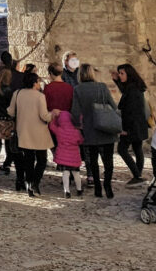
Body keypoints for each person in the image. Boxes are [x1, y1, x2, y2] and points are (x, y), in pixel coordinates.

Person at [71, 63, 118, 198]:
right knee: (108, 161)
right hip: (106, 127)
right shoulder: (102, 87)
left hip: (90, 129)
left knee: (93, 160)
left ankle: (97, 187)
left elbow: (75, 112)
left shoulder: (78, 89)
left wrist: (77, 124)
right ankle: (108, 186)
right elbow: (113, 106)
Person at [8, 73, 57, 197]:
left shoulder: (17, 94)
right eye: (38, 82)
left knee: (29, 160)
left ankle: (29, 184)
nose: (39, 84)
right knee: (42, 160)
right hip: (39, 132)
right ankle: (35, 183)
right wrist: (53, 114)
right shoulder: (40, 96)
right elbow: (44, 116)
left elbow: (11, 111)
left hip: (23, 131)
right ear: (34, 82)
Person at [111, 63, 149, 185]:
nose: (121, 75)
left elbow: (130, 112)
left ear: (129, 74)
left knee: (122, 149)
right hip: (138, 124)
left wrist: (125, 129)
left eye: (122, 73)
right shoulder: (134, 87)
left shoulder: (132, 89)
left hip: (132, 125)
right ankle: (138, 175)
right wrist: (117, 81)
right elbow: (125, 91)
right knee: (137, 149)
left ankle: (137, 175)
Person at [49, 110, 84, 197]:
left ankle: (66, 191)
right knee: (76, 173)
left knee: (65, 173)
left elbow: (51, 126)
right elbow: (81, 140)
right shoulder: (76, 131)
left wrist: (54, 117)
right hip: (74, 156)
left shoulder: (59, 130)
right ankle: (79, 189)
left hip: (63, 156)